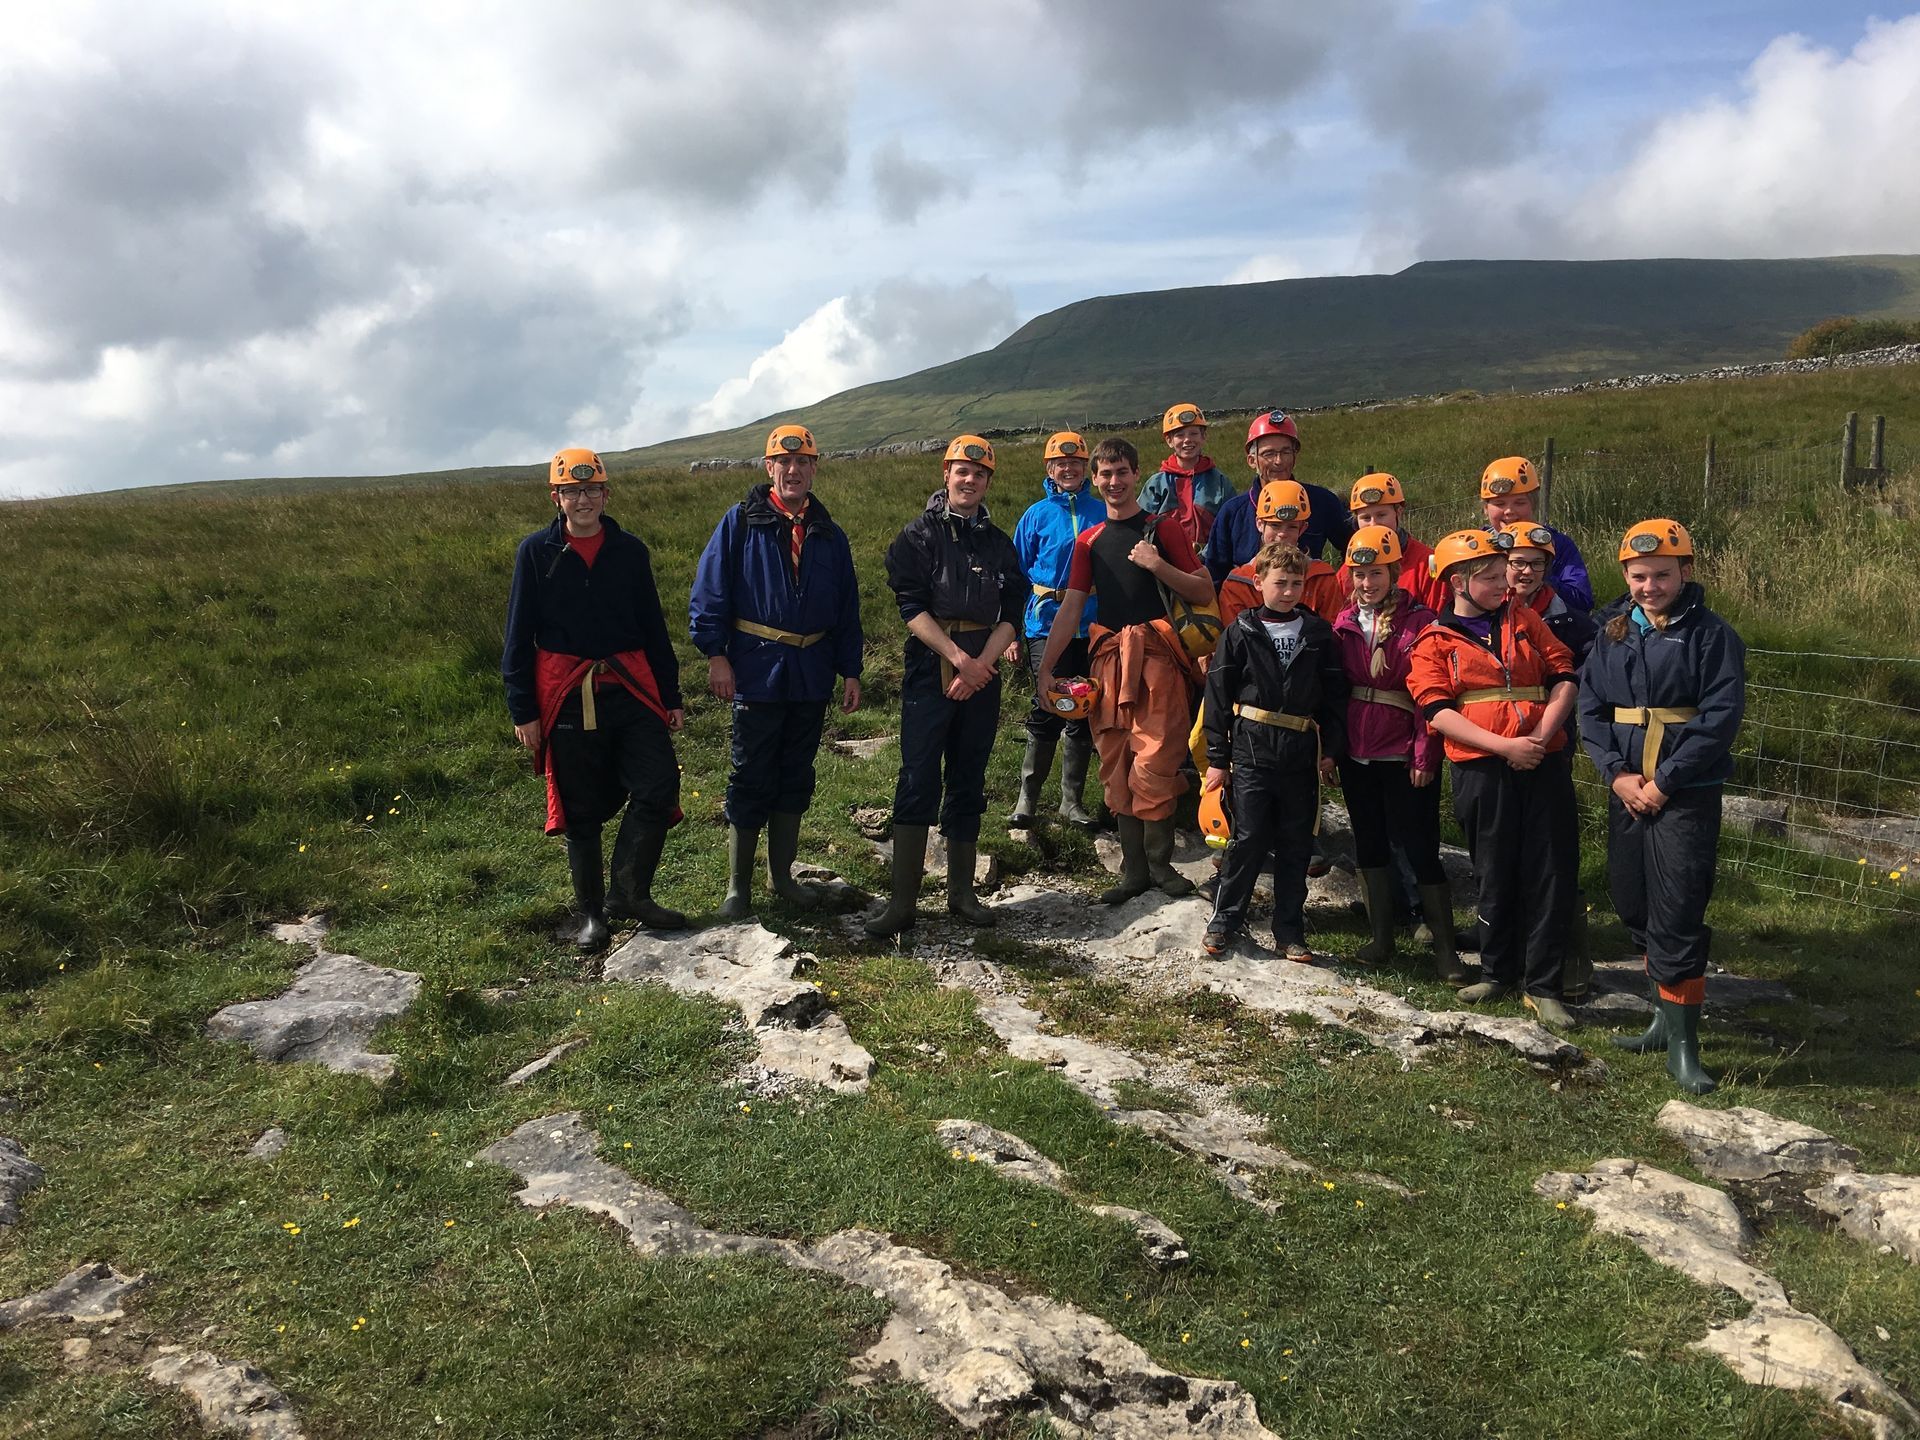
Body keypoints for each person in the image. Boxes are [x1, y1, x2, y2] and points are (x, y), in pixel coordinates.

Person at [1580, 519, 1746, 1095]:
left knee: (1677, 909)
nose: (1650, 586)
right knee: (1634, 900)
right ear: (1625, 577)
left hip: (1685, 796)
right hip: (1628, 791)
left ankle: (1684, 1045)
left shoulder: (1711, 636)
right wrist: (1618, 775)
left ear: (1686, 572)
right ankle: (1658, 1018)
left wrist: (1665, 782)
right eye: (1639, 576)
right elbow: (1591, 710)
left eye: (1661, 575)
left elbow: (1718, 720)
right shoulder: (1614, 633)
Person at [503, 447, 686, 953]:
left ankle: (629, 894)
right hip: (566, 694)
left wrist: (670, 695)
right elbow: (518, 636)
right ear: (556, 497)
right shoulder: (535, 552)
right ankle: (590, 914)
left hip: (629, 688)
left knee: (658, 784)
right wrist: (524, 709)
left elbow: (652, 626)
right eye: (571, 491)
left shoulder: (630, 551)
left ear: (606, 494)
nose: (582, 499)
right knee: (581, 811)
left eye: (591, 490)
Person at [689, 424, 864, 919]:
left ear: (814, 468)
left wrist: (850, 670)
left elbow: (847, 609)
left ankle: (783, 877)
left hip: (811, 671)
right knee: (750, 773)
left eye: (803, 462)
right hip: (756, 669)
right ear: (769, 467)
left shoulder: (829, 533)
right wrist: (716, 655)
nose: (793, 470)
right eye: (783, 463)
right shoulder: (740, 523)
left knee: (795, 773)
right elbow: (709, 593)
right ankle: (736, 889)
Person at [1406, 530, 1580, 1028]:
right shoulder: (1433, 640)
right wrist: (1506, 747)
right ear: (1458, 582)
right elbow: (1437, 712)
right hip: (1481, 767)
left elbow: (1563, 676)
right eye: (1488, 576)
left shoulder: (1525, 620)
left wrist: (1542, 740)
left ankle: (1544, 986)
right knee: (1492, 867)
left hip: (1542, 761)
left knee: (1549, 868)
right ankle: (1497, 971)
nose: (1505, 582)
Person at [1037, 437, 1216, 902]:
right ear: (1095, 480)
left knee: (1156, 759)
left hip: (1159, 659)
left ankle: (1160, 867)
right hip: (1109, 661)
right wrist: (1047, 668)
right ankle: (1133, 873)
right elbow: (1072, 608)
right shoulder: (1088, 541)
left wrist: (1157, 565)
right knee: (1116, 761)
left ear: (1137, 474)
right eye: (1105, 474)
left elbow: (1202, 589)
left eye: (1121, 472)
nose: (1113, 482)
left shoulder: (1164, 529)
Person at [868, 436, 1026, 935]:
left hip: (984, 666)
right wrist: (960, 660)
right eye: (962, 471)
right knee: (917, 775)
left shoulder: (999, 543)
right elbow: (911, 607)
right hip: (931, 663)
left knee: (969, 774)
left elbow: (1013, 612)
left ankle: (962, 894)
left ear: (988, 482)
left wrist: (981, 665)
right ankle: (902, 903)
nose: (969, 480)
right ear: (946, 473)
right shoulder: (918, 536)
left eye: (979, 474)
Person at [1201, 543, 1349, 959]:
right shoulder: (1240, 631)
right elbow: (1217, 696)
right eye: (1279, 583)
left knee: (1296, 842)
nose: (1287, 591)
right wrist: (1217, 758)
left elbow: (1335, 696)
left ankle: (1289, 931)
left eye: (1296, 583)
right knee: (1246, 839)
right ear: (1259, 582)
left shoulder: (1318, 634)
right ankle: (1225, 921)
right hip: (1251, 748)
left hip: (1301, 749)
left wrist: (1332, 750)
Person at [1327, 525, 1461, 977]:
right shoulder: (1342, 624)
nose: (1368, 583)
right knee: (1369, 841)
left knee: (1419, 843)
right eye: (1359, 574)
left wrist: (1425, 752)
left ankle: (1445, 951)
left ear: (1395, 572)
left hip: (1403, 750)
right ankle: (1381, 939)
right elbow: (1334, 691)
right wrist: (1331, 749)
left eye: (1377, 573)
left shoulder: (1420, 623)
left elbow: (1431, 692)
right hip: (1357, 750)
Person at [1498, 519, 1599, 1002]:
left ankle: (1566, 954)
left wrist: (1545, 734)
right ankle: (1507, 950)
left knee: (1554, 851)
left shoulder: (1571, 622)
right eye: (1516, 563)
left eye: (1535, 564)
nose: (1524, 572)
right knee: (1502, 848)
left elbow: (1586, 681)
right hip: (1495, 743)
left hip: (1551, 742)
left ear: (1548, 569)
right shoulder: (1482, 614)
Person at [1009, 431, 1106, 829]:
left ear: (1086, 468)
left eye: (1076, 463)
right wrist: (1014, 634)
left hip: (1093, 623)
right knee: (1047, 703)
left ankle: (1071, 803)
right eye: (1060, 463)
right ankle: (1026, 802)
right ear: (1049, 468)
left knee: (1083, 706)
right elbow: (1016, 577)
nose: (1068, 469)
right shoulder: (1034, 515)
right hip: (1045, 623)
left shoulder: (1101, 511)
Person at [1205, 410, 1354, 580]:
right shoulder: (1232, 513)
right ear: (1252, 460)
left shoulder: (1322, 502)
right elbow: (1215, 574)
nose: (1278, 461)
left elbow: (1354, 546)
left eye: (1285, 452)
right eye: (1269, 454)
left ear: (1295, 457)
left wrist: (1342, 588)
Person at [1216, 481, 1343, 629]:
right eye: (1275, 525)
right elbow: (1233, 642)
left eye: (1292, 526)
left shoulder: (1321, 578)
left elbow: (1333, 636)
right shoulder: (1238, 584)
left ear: (1303, 528)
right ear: (1259, 524)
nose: (1282, 534)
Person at [1479, 456, 1593, 611]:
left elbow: (1582, 602)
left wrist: (1537, 574)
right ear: (1486, 509)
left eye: (1520, 502)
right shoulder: (1476, 548)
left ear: (1533, 504)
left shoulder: (1558, 544)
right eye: (1499, 504)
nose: (1509, 512)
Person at [1338, 472, 1447, 612]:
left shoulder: (1427, 564)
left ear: (1399, 512)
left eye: (1381, 515)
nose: (1374, 524)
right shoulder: (1348, 571)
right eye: (1365, 518)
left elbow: (1437, 622)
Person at [1139, 403, 1236, 553]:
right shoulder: (1156, 484)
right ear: (1169, 440)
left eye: (1193, 433)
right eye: (1179, 435)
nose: (1187, 440)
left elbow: (1230, 524)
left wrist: (1205, 555)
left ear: (1203, 436)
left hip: (1210, 563)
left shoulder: (1220, 482)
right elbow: (1140, 526)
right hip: (1164, 564)